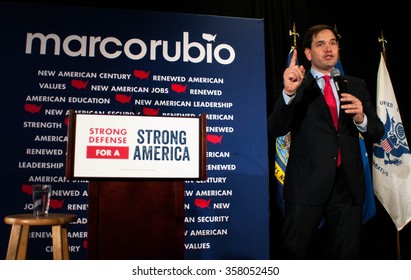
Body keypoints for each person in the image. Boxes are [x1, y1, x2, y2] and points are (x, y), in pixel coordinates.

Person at [268, 24, 384, 259]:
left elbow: (377, 131)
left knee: (345, 259)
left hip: (347, 186)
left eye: (333, 43)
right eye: (320, 44)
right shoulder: (296, 84)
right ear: (309, 54)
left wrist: (361, 118)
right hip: (306, 186)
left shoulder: (355, 85)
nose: (328, 49)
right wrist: (288, 93)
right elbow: (276, 128)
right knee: (294, 255)